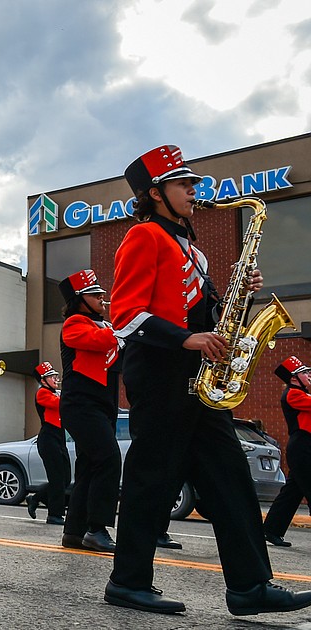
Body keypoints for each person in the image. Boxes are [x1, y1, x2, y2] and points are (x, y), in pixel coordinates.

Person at [104, 144, 311, 616]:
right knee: (150, 478)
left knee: (230, 478)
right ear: (154, 192)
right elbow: (125, 316)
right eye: (183, 183)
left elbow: (205, 313)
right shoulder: (144, 236)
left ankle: (249, 587)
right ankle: (127, 581)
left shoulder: (190, 247)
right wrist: (189, 340)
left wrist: (234, 300)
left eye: (193, 182)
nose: (194, 190)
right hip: (160, 373)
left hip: (199, 378)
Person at [51, 270, 121, 552]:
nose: (103, 298)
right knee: (109, 459)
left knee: (89, 466)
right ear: (79, 300)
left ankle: (74, 532)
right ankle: (97, 528)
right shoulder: (74, 323)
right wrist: (126, 325)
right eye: (95, 295)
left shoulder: (104, 325)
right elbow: (102, 340)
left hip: (103, 404)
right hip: (82, 404)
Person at [262, 357, 311, 547]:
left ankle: (271, 530)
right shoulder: (293, 394)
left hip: (305, 447)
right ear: (293, 378)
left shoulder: (301, 393)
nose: (309, 375)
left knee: (291, 493)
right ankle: (270, 530)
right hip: (302, 447)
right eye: (304, 373)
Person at [25, 362, 67, 525]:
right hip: (48, 437)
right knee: (57, 477)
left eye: (56, 376)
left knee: (64, 478)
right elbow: (59, 404)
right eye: (52, 377)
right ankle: (54, 515)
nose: (56, 379)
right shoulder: (42, 393)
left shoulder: (56, 392)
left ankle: (35, 498)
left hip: (59, 436)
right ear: (43, 380)